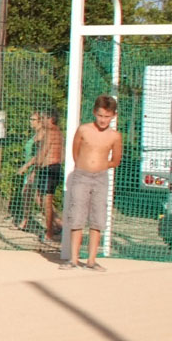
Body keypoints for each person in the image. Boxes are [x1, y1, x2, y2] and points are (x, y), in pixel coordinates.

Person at [61, 95, 122, 272]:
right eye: (101, 115)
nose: (103, 120)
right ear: (95, 113)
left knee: (97, 218)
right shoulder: (84, 130)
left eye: (107, 116)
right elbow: (76, 151)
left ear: (113, 116)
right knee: (77, 216)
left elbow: (116, 159)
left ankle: (91, 260)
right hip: (81, 176)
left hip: (101, 178)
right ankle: (73, 259)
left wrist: (102, 165)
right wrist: (84, 166)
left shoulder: (115, 136)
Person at [16, 109, 62, 244]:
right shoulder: (52, 133)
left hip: (47, 169)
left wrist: (32, 169)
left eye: (43, 118)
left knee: (44, 201)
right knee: (39, 199)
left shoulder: (50, 133)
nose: (41, 121)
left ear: (50, 119)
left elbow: (42, 154)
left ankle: (54, 229)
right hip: (46, 168)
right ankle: (54, 226)